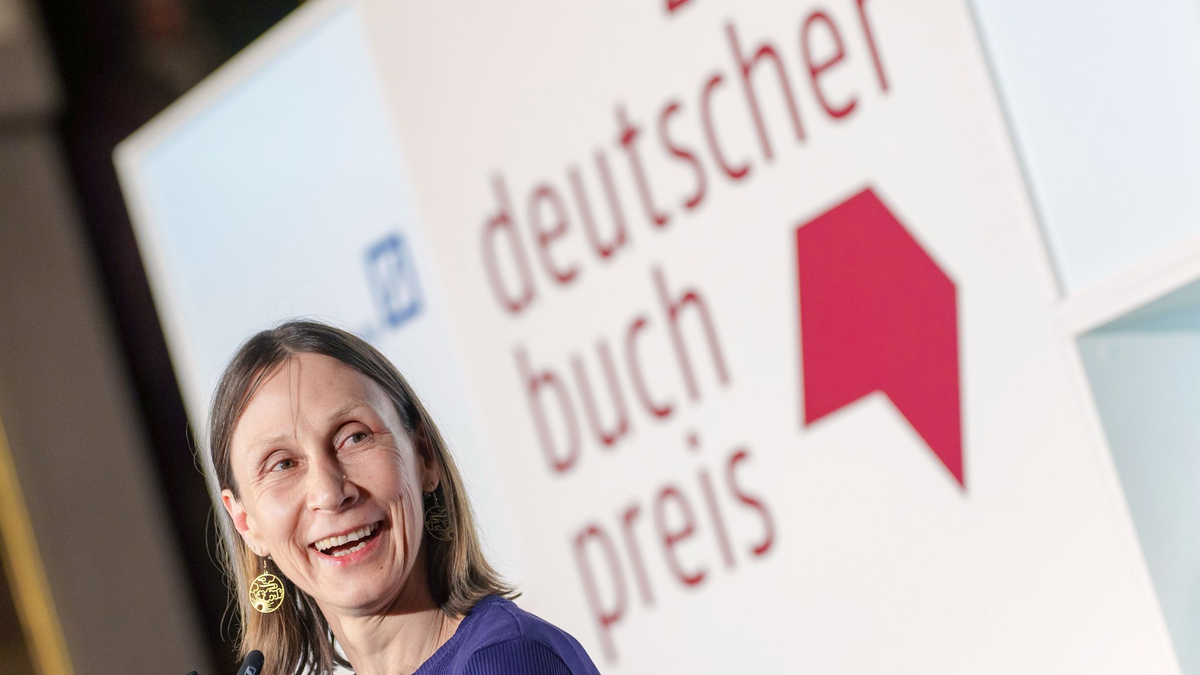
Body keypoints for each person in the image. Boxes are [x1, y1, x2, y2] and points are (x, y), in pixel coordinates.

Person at [205, 320, 602, 675]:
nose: (328, 492)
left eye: (354, 437)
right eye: (282, 464)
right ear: (246, 524)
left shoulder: (504, 661)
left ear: (423, 456)